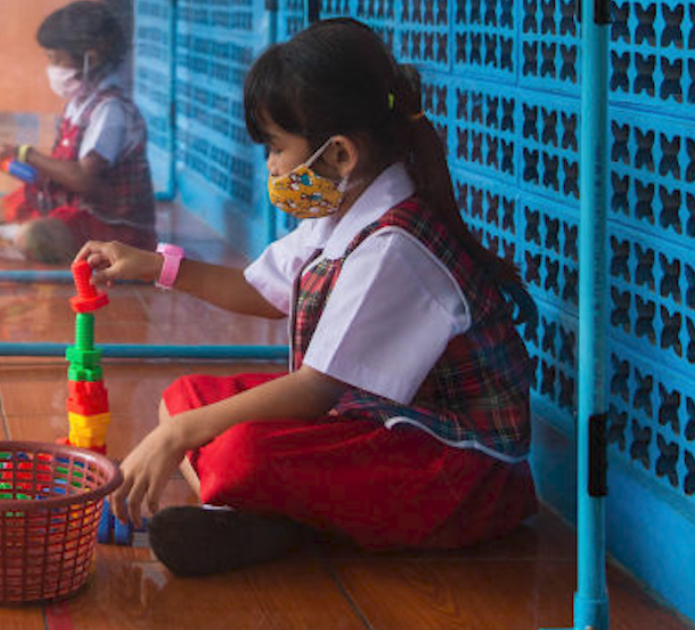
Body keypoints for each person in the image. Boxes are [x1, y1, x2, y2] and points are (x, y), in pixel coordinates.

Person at [77, 18, 539, 577]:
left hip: (461, 477)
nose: (270, 165)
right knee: (186, 398)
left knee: (240, 451)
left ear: (339, 155)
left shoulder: (395, 247)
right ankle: (266, 517)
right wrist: (154, 266)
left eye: (276, 147)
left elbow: (316, 389)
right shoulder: (342, 211)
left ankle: (265, 517)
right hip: (381, 424)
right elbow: (259, 289)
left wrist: (178, 438)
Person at [0, 0, 157, 263]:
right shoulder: (80, 104)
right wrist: (7, 161)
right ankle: (8, 232)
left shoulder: (111, 111)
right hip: (73, 207)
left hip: (111, 226)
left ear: (91, 58)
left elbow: (83, 179)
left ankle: (11, 234)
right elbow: (58, 173)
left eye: (56, 59)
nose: (51, 68)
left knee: (35, 235)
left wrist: (27, 153)